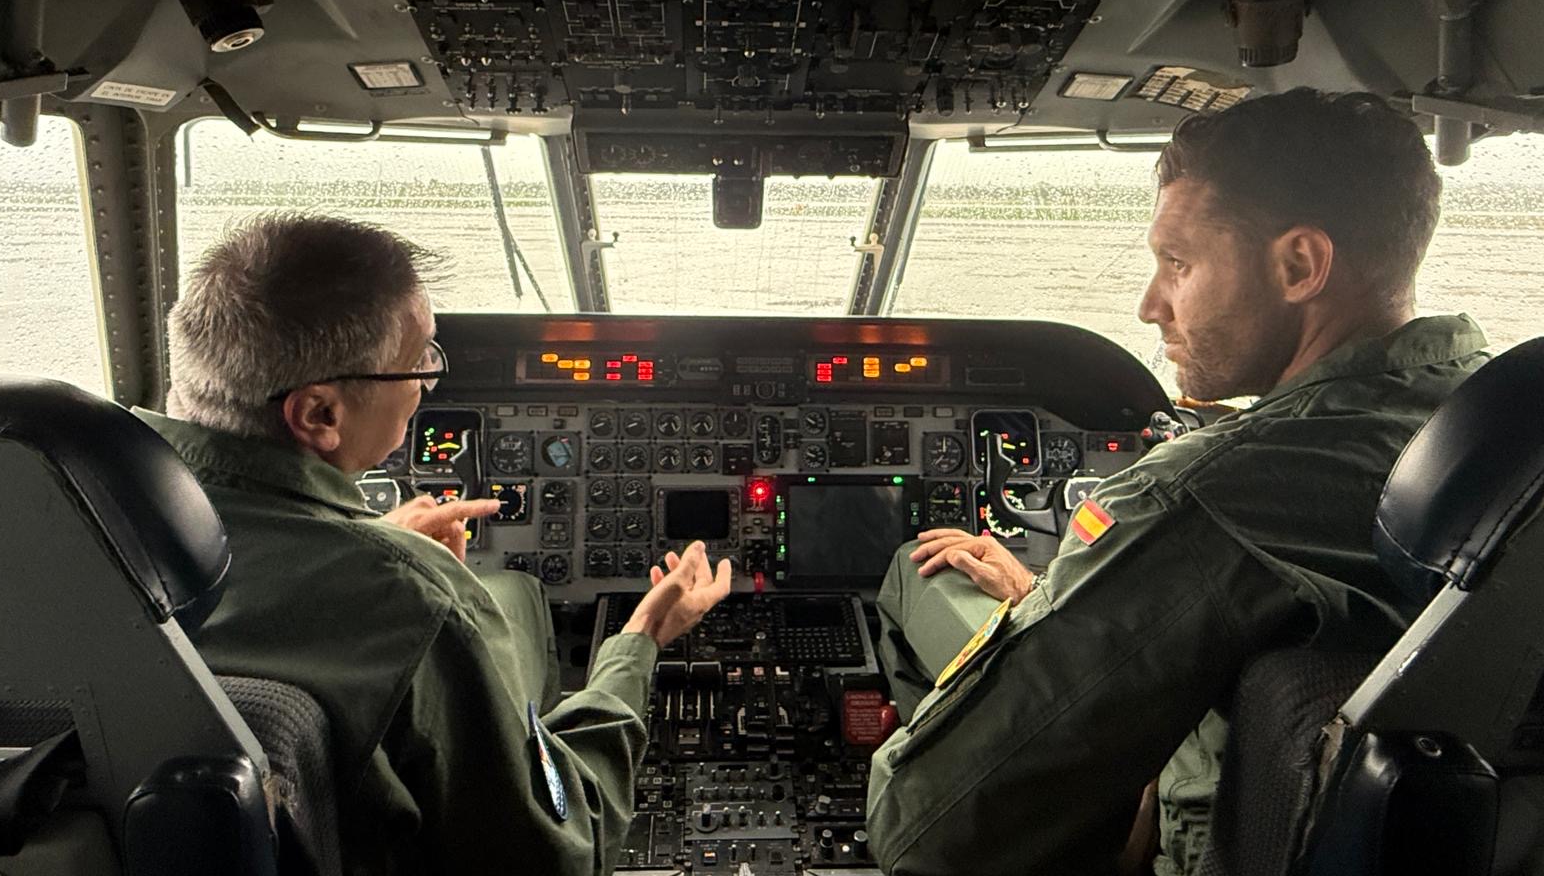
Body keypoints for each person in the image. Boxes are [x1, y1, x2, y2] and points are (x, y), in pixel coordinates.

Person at [865, 89, 1488, 876]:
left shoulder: (1205, 494)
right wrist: (1051, 601)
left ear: (1299, 264)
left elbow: (929, 832)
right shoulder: (1493, 416)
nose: (1149, 304)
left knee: (914, 575)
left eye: (1177, 263)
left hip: (1204, 842)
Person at [136, 213, 731, 876]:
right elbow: (561, 856)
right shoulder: (412, 596)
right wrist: (638, 641)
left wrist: (363, 544)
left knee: (510, 589)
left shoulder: (67, 522)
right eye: (418, 362)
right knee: (507, 596)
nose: (426, 382)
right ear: (319, 415)